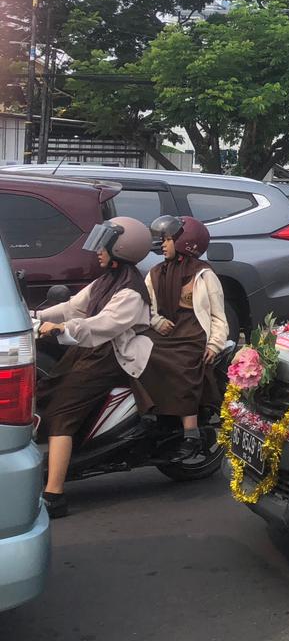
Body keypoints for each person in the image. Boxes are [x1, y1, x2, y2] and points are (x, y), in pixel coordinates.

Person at [34, 217, 154, 517]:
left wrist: (61, 329)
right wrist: (32, 315)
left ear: (121, 248)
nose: (98, 250)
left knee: (63, 411)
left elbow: (104, 325)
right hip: (89, 351)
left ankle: (55, 494)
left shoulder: (131, 290)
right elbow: (74, 306)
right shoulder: (106, 279)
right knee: (45, 391)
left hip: (111, 355)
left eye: (105, 244)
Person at [141, 215, 227, 461]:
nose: (163, 245)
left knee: (183, 365)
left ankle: (191, 432)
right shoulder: (155, 273)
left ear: (185, 242)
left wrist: (215, 343)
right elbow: (146, 306)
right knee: (137, 352)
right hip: (164, 332)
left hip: (192, 334)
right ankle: (150, 415)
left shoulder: (203, 274)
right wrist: (156, 321)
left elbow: (217, 314)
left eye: (168, 239)